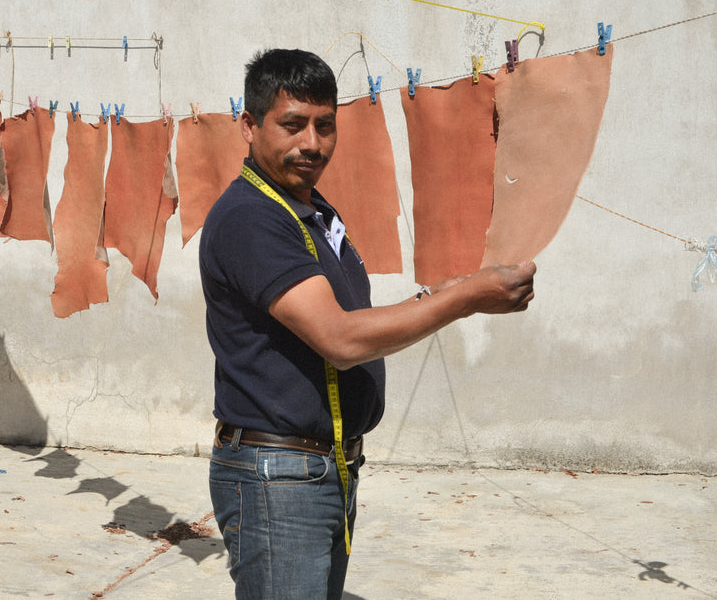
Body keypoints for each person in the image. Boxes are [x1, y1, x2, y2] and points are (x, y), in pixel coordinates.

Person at [199, 48, 536, 599]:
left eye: (324, 126)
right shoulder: (251, 219)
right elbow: (340, 338)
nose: (311, 143)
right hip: (278, 479)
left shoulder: (313, 212)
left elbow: (350, 320)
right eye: (292, 125)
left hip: (323, 468)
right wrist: (468, 299)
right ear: (248, 125)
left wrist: (440, 291)